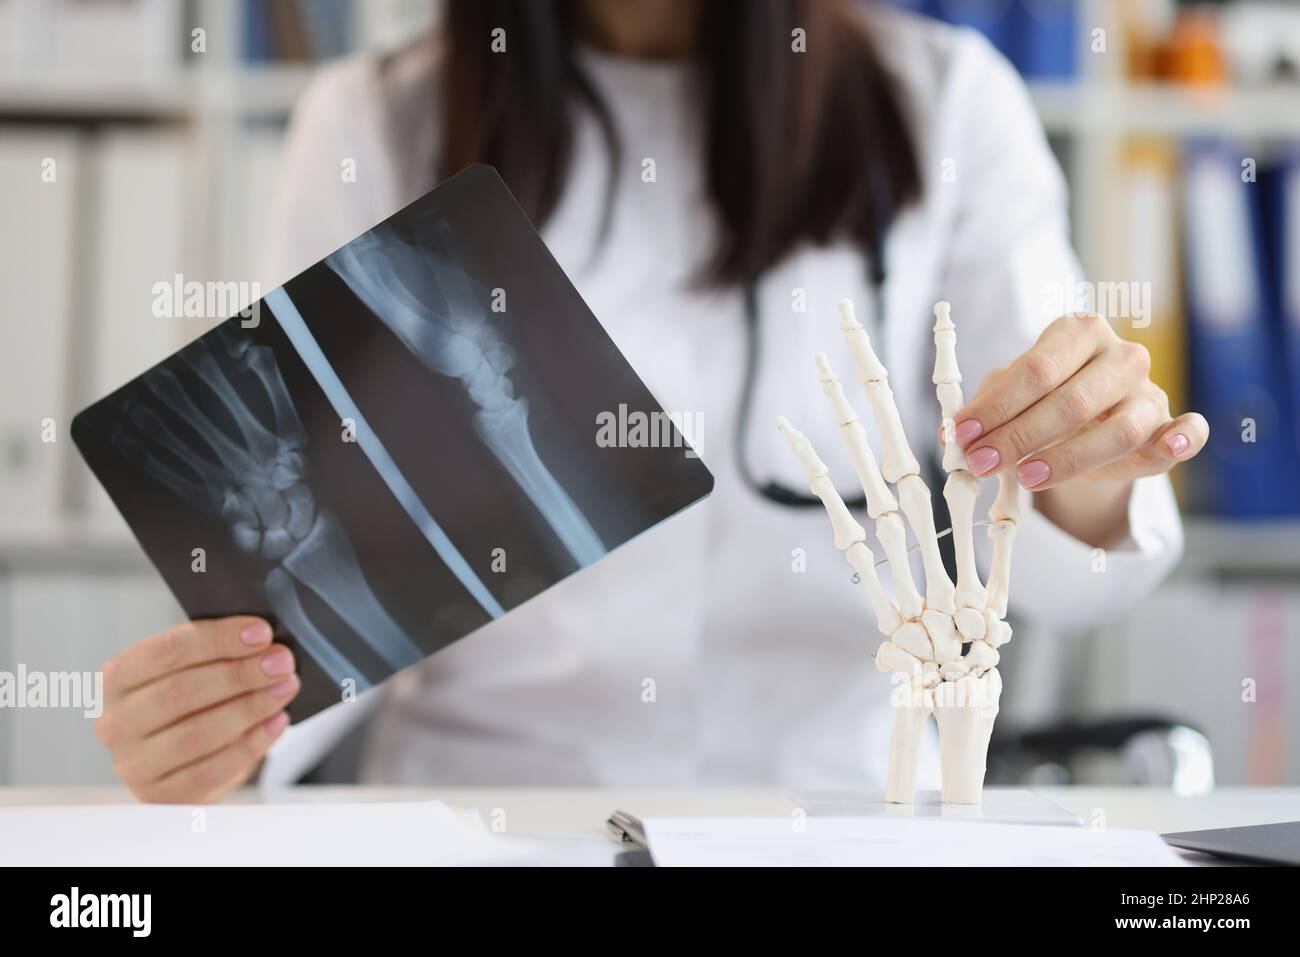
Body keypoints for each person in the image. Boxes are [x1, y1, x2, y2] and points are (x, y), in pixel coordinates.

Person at [94, 0, 1207, 803]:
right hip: (487, 812)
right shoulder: (373, 116)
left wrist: (1088, 462)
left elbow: (1075, 568)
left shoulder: (948, 104)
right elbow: (316, 543)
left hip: (839, 812)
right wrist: (222, 734)